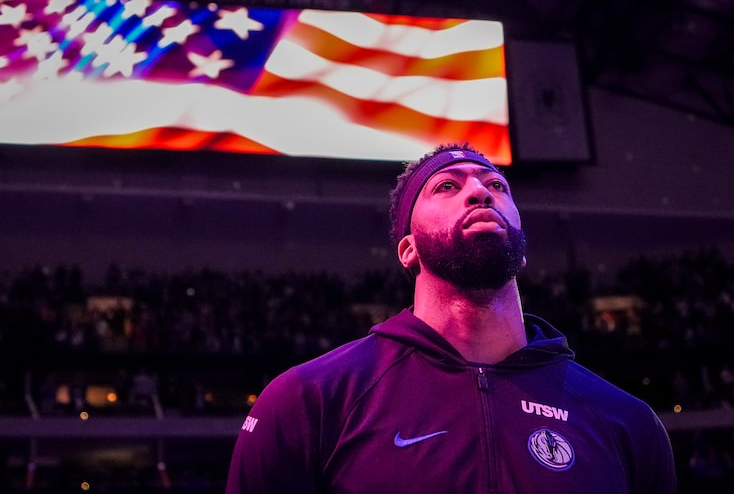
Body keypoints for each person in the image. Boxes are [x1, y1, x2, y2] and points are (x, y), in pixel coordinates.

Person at [225, 142, 677, 493]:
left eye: (497, 185)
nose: (480, 192)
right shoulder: (308, 400)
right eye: (446, 186)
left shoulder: (627, 421)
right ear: (408, 250)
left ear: (521, 250)